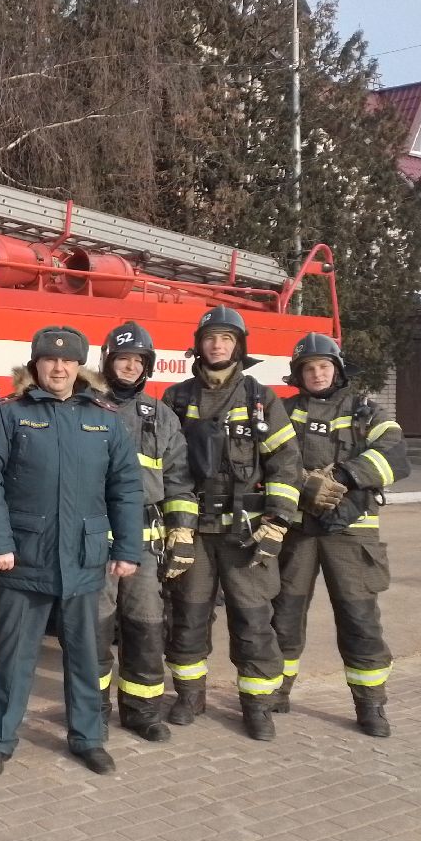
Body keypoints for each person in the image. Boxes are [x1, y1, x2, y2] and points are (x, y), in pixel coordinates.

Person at [0, 326, 143, 778]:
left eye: (67, 362)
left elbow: (125, 488)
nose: (59, 368)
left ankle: (88, 739)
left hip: (85, 560)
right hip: (24, 558)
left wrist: (127, 548)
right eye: (49, 361)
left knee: (86, 657)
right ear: (36, 365)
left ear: (80, 367)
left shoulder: (105, 419)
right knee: (13, 658)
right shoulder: (9, 415)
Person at [162, 306, 302, 741]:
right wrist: (178, 525)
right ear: (199, 345)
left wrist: (277, 520)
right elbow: (165, 465)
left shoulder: (261, 398)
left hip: (247, 531)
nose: (217, 344)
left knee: (254, 618)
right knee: (188, 614)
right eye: (210, 337)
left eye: (226, 338)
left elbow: (286, 462)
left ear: (238, 345)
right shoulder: (176, 398)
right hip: (195, 529)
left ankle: (257, 705)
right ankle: (189, 696)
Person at [270, 333, 409, 737]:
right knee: (284, 616)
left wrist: (348, 477)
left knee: (360, 620)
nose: (317, 373)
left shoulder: (365, 411)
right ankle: (276, 690)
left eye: (324, 366)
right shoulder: (283, 410)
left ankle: (371, 705)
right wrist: (302, 485)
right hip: (297, 531)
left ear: (337, 369)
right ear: (298, 373)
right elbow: (268, 459)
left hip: (352, 534)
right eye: (308, 367)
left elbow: (395, 454)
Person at [94, 321, 195, 742]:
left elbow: (180, 481)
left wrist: (183, 531)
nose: (131, 366)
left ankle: (142, 711)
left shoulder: (162, 416)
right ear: (108, 362)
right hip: (96, 534)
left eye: (138, 360)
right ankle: (92, 711)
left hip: (145, 538)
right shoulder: (85, 406)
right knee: (94, 626)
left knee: (145, 623)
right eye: (123, 358)